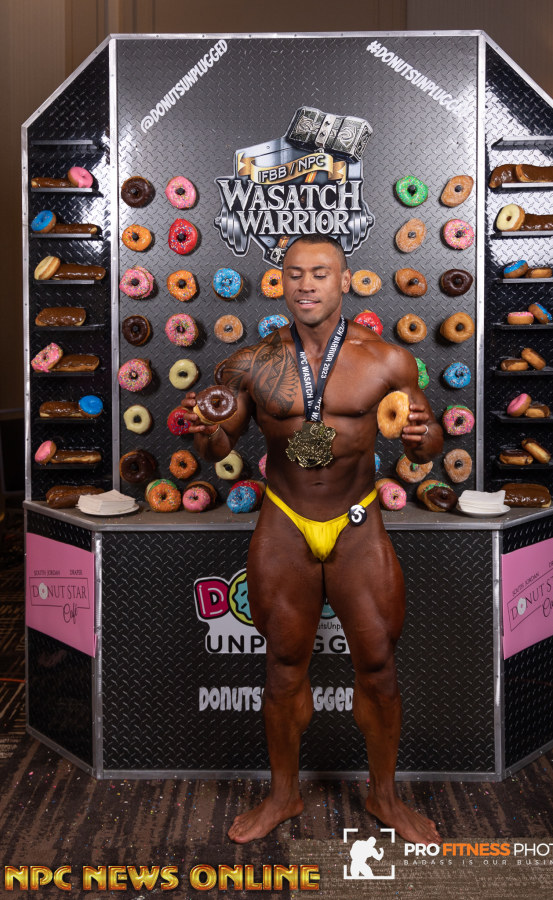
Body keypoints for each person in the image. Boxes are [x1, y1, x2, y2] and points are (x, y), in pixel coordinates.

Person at [182, 234, 443, 845]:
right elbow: (219, 447)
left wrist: (421, 437)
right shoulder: (251, 363)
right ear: (282, 282)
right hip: (284, 522)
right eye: (295, 274)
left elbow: (429, 442)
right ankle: (283, 795)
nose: (306, 284)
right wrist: (203, 429)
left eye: (320, 273)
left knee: (378, 664)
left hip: (357, 522)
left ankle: (384, 796)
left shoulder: (387, 360)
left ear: (343, 281)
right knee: (281, 667)